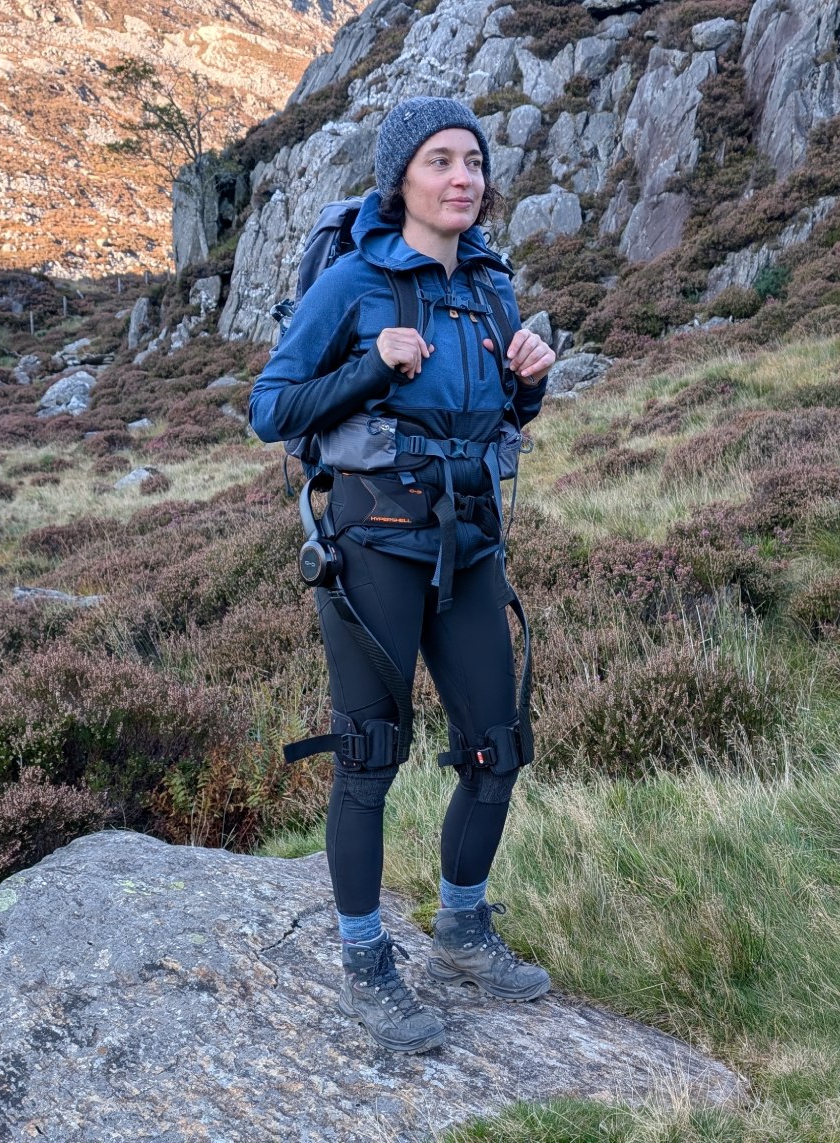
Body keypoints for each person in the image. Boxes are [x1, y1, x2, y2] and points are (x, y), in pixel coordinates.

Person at [248, 96, 559, 1054]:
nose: (462, 177)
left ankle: (462, 929)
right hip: (371, 546)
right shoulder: (351, 283)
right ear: (401, 180)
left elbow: (493, 417)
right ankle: (364, 963)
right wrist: (372, 367)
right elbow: (271, 407)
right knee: (369, 756)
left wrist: (530, 381)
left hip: (468, 543)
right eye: (439, 161)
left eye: (473, 161)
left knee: (496, 748)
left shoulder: (492, 287)